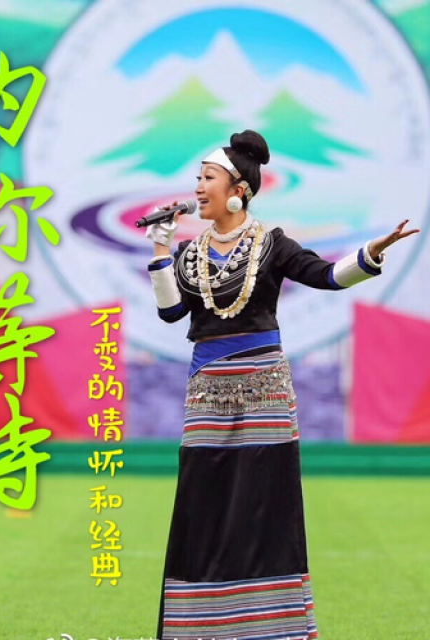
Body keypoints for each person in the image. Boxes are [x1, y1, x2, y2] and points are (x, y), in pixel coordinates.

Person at [146, 130, 419, 640]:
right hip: (207, 388)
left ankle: (272, 624)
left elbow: (326, 276)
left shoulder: (272, 244)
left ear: (238, 190)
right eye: (198, 179)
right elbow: (169, 312)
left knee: (263, 500)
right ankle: (197, 624)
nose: (198, 187)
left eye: (208, 178)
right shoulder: (188, 253)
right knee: (201, 499)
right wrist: (162, 246)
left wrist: (372, 253)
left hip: (264, 388)